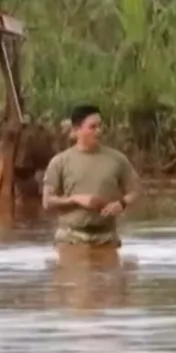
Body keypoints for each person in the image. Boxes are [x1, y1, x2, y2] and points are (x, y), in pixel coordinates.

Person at [42, 104, 140, 266]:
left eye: (100, 126)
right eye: (93, 127)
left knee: (106, 286)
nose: (99, 131)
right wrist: (75, 199)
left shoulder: (117, 159)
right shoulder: (60, 162)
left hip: (106, 237)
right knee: (79, 288)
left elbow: (136, 192)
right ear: (76, 130)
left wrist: (121, 204)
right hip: (71, 237)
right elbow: (47, 202)